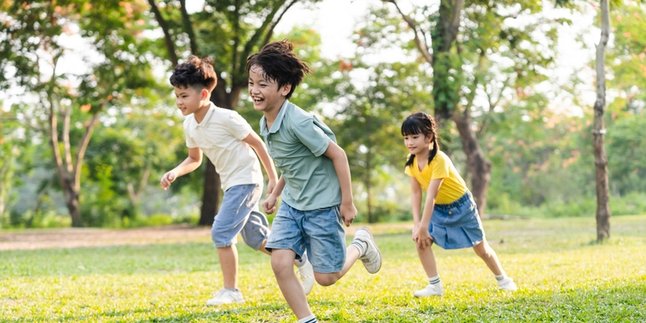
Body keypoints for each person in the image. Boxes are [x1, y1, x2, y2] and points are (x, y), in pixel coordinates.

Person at [160, 55, 314, 306]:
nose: (179, 101)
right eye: (176, 95)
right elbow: (193, 158)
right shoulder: (190, 125)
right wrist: (175, 172)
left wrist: (273, 181)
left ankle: (231, 291)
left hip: (247, 180)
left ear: (203, 95)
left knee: (221, 232)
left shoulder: (227, 118)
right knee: (256, 239)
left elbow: (259, 144)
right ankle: (299, 256)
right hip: (231, 184)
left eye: (184, 95)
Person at [246, 40, 382, 323]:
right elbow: (292, 164)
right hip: (293, 204)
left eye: (262, 85)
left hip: (323, 205)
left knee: (326, 277)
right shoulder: (266, 121)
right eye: (251, 83)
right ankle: (307, 319)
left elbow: (339, 156)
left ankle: (361, 245)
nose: (254, 91)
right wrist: (275, 194)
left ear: (284, 88)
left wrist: (347, 202)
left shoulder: (299, 122)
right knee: (280, 262)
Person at [401, 112, 518, 297]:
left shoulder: (439, 159)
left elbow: (431, 194)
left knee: (481, 248)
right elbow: (416, 193)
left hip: (461, 206)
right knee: (421, 241)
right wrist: (417, 225)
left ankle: (504, 280)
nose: (410, 142)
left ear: (429, 137)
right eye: (406, 138)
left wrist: (424, 225)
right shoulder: (412, 162)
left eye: (415, 137)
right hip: (439, 209)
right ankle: (434, 286)